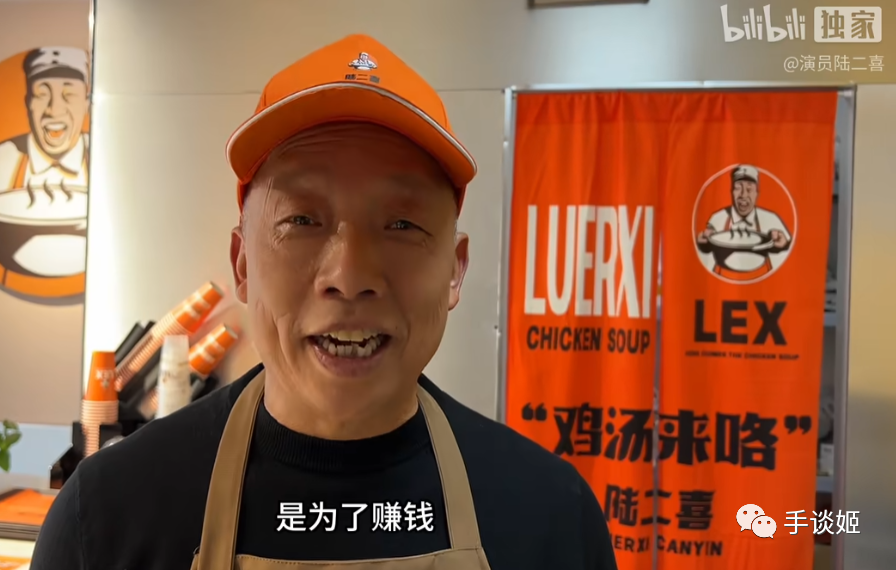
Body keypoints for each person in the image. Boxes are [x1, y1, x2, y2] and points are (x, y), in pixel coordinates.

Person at [32, 34, 616, 570]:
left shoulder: (552, 519)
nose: (349, 276)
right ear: (242, 263)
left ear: (455, 271)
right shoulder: (105, 517)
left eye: (403, 224)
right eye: (302, 220)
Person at [0, 47, 90, 288]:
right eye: (41, 94)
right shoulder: (1, 157)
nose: (54, 109)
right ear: (28, 103)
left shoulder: (107, 155)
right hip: (6, 291)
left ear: (86, 104)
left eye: (69, 95)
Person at [696, 164, 792, 280]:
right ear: (731, 192)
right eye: (738, 188)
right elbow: (705, 249)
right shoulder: (718, 218)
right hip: (724, 282)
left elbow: (791, 255)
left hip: (762, 284)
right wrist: (703, 242)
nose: (743, 195)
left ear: (757, 193)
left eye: (749, 189)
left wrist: (784, 244)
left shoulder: (771, 219)